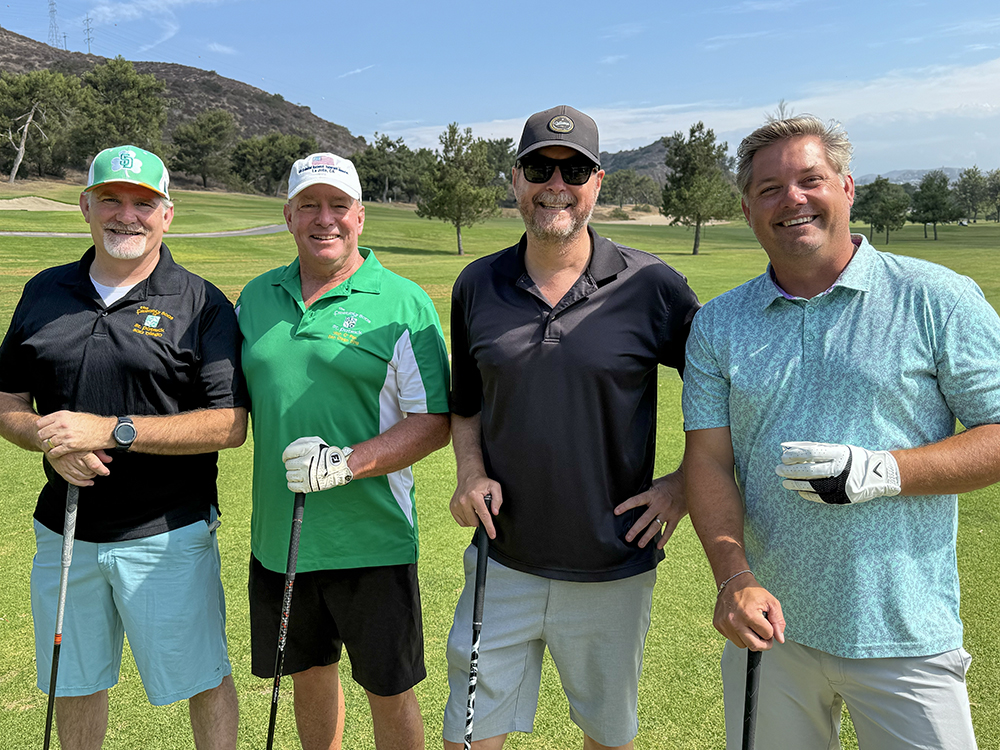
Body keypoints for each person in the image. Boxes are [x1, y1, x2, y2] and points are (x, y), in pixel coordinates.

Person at [682, 115, 1000, 750]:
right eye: (769, 189)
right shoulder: (718, 324)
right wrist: (732, 577)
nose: (792, 199)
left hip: (906, 633)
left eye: (810, 180)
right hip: (769, 629)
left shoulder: (935, 298)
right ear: (747, 210)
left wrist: (882, 471)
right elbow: (708, 462)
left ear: (847, 188)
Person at [444, 105, 701, 750]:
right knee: (467, 737)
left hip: (612, 564)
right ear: (515, 179)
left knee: (606, 738)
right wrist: (470, 473)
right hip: (501, 559)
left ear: (597, 182)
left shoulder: (653, 285)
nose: (555, 185)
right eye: (539, 169)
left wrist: (682, 485)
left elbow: (720, 393)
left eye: (574, 171)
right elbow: (466, 402)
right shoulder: (477, 284)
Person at [0, 144, 247, 749]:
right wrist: (47, 437)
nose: (126, 215)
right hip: (64, 532)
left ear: (167, 214)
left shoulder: (200, 302)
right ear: (86, 206)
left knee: (202, 678)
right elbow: (7, 402)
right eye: (111, 199)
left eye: (144, 203)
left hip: (168, 533)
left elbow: (228, 424)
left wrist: (113, 429)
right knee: (74, 682)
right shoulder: (44, 291)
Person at [237, 152, 450, 750]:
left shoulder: (403, 302)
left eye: (338, 205)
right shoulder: (255, 298)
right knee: (308, 676)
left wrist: (346, 462)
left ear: (360, 216)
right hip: (280, 539)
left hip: (373, 539)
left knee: (389, 688)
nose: (323, 219)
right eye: (309, 205)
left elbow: (435, 420)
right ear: (288, 215)